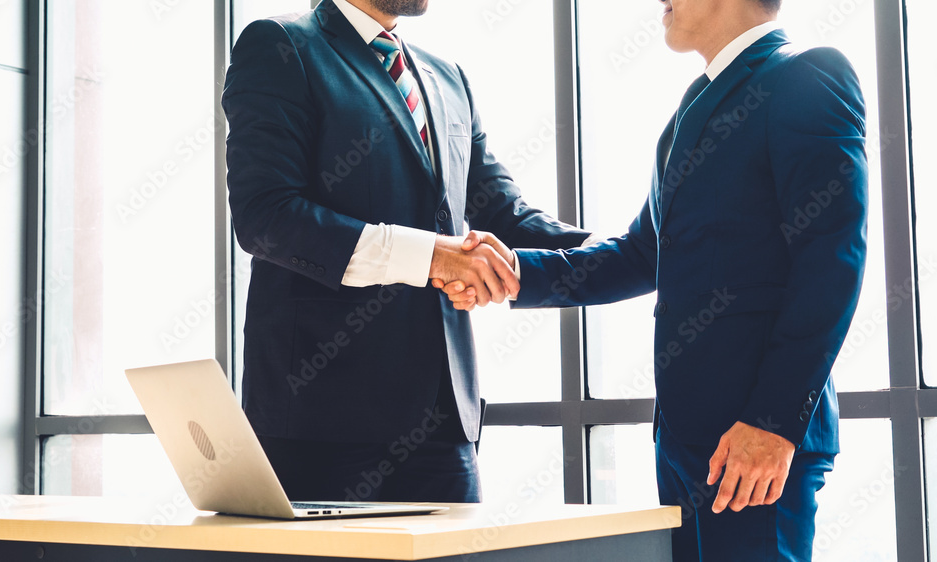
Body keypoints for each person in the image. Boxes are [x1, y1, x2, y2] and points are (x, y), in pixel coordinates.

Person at [439, 0, 868, 558]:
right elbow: (643, 254)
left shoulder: (809, 74)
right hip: (689, 440)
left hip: (754, 441)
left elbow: (833, 263)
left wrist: (774, 423)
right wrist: (516, 273)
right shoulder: (689, 111)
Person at [221, 0, 590, 504]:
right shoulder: (281, 45)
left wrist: (634, 249)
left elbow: (503, 213)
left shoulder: (447, 77)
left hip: (444, 424)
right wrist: (433, 256)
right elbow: (266, 216)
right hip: (322, 423)